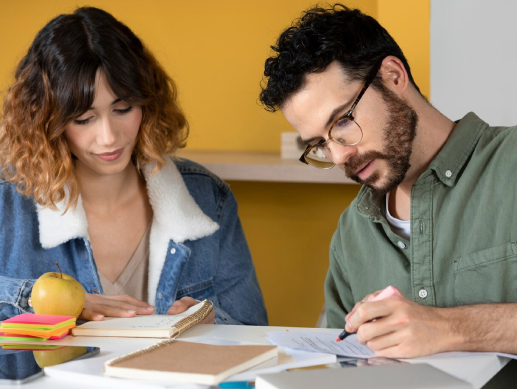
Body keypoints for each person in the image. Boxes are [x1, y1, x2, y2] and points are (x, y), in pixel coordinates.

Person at [259, 4, 517, 358]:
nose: (338, 157)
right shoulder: (353, 232)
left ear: (393, 76)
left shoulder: (511, 164)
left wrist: (450, 328)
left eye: (342, 122)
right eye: (319, 144)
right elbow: (337, 361)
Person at [0, 6, 268, 326]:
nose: (109, 137)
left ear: (146, 101)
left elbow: (253, 331)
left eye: (123, 109)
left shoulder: (208, 197)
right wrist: (45, 299)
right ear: (45, 120)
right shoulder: (8, 202)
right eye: (84, 119)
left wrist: (214, 324)